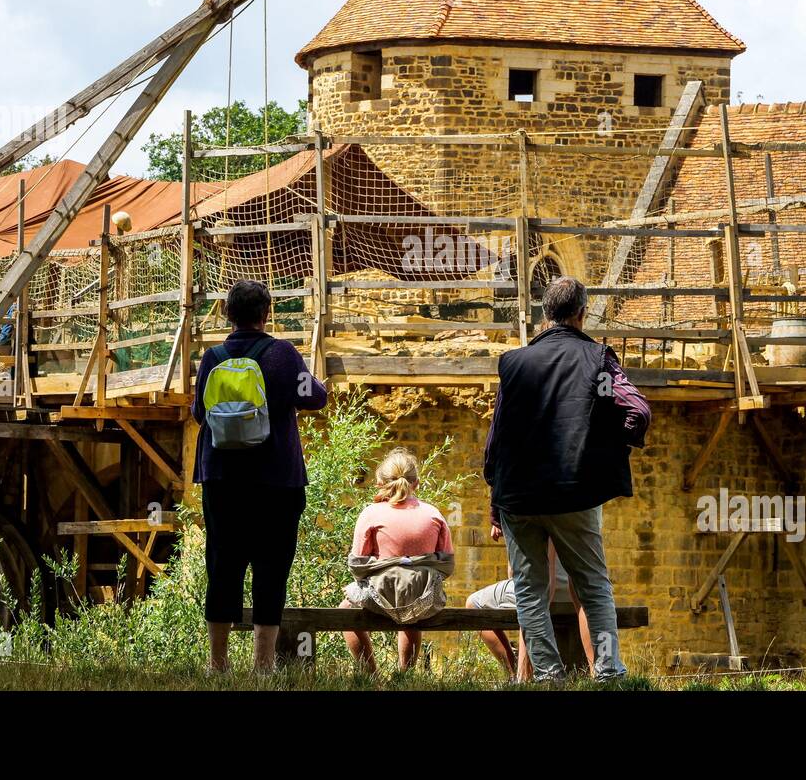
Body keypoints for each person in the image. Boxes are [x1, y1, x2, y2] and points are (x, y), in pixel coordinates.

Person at [484, 276, 650, 682]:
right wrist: (605, 447)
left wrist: (495, 504)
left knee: (529, 591)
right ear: (582, 313)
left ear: (545, 315)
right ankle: (608, 671)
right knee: (594, 586)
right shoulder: (599, 359)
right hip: (574, 492)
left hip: (518, 496)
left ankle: (547, 676)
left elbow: (497, 441)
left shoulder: (514, 363)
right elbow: (637, 412)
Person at [192, 280, 328, 674]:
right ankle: (263, 665)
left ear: (228, 314)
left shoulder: (212, 358)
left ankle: (217, 664)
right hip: (276, 482)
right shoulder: (283, 354)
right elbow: (313, 398)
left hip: (222, 480)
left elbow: (200, 414)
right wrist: (317, 384)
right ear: (267, 313)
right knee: (271, 566)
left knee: (222, 565)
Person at [341, 448, 454, 674]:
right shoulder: (433, 514)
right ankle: (405, 676)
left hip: (382, 592)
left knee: (345, 611)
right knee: (411, 608)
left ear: (380, 483)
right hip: (424, 595)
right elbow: (447, 563)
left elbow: (357, 564)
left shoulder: (371, 513)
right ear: (417, 483)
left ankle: (371, 675)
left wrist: (387, 567)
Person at [466, 532, 593, 680]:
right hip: (576, 593)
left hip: (543, 589)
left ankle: (515, 672)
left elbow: (515, 574)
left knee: (473, 603)